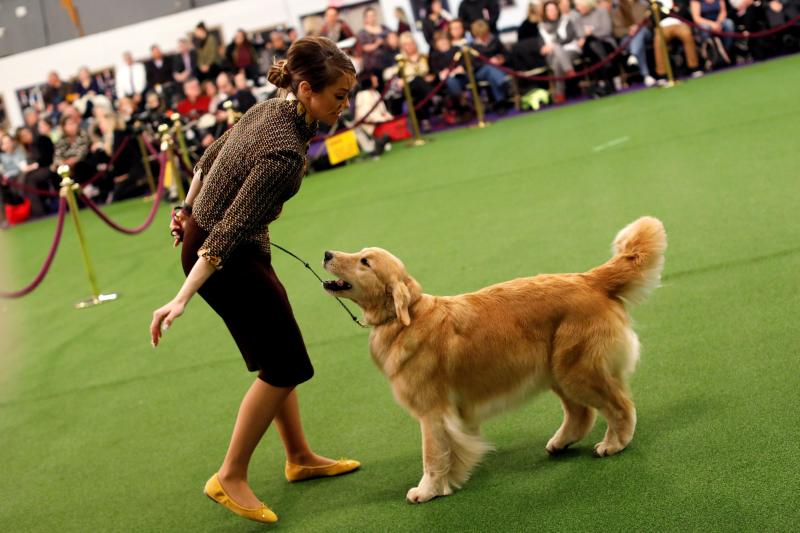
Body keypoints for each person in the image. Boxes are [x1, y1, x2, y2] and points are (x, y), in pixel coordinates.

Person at [149, 36, 360, 525]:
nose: (344, 105)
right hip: (225, 258)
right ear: (306, 89)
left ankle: (300, 456)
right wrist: (182, 297)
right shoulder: (285, 152)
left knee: (278, 355)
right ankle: (229, 475)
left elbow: (205, 161)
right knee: (286, 365)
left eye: (348, 94)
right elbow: (226, 232)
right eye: (339, 95)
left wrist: (185, 209)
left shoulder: (271, 110)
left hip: (221, 244)